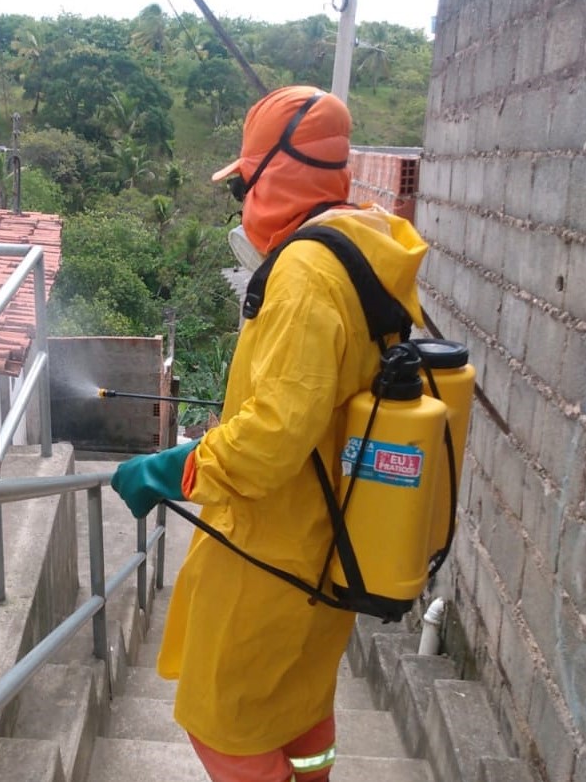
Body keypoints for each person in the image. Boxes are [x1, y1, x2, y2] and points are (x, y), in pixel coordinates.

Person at [111, 85, 429, 782]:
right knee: (298, 702)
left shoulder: (304, 274)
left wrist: (178, 469)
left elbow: (272, 438)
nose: (243, 204)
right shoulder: (364, 247)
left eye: (242, 187)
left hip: (272, 546)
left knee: (219, 724)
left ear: (272, 176)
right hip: (335, 535)